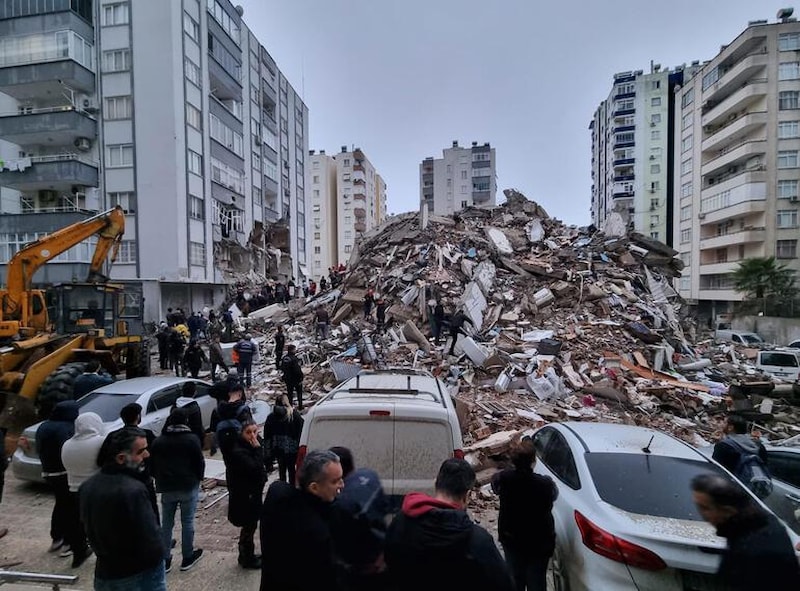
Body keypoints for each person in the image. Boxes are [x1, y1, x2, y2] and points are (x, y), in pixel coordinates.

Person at [385, 458, 514, 591]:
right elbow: (503, 584)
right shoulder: (478, 541)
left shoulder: (401, 523)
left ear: (435, 483)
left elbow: (389, 564)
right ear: (467, 496)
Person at [80, 428, 166, 591]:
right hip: (138, 573)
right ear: (121, 458)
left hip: (105, 571)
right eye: (140, 451)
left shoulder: (87, 486)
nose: (147, 455)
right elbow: (150, 537)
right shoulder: (133, 490)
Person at [691, 473, 800, 590]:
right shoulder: (748, 525)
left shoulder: (754, 548)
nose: (701, 514)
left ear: (727, 510)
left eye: (705, 508)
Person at [260, 449, 344, 591]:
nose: (342, 485)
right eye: (335, 481)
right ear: (314, 487)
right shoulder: (320, 535)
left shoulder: (277, 494)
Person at [491, 437, 557, 591]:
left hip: (512, 538)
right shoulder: (545, 484)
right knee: (537, 581)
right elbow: (554, 495)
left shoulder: (504, 479)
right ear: (533, 461)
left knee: (515, 579)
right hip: (539, 542)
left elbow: (495, 486)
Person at [150, 409, 205, 573]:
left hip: (166, 487)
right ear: (185, 421)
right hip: (188, 485)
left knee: (167, 524)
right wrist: (199, 478)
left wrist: (160, 478)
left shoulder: (158, 441)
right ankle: (187, 557)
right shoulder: (191, 439)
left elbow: (152, 465)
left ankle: (165, 559)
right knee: (187, 522)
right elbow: (199, 462)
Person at [329, 447, 389, 591]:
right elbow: (385, 507)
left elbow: (342, 545)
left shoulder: (343, 502)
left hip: (362, 572)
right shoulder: (370, 476)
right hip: (383, 561)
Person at [97, 403, 159, 520]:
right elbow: (156, 458)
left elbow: (101, 460)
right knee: (150, 515)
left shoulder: (112, 436)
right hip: (143, 482)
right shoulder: (146, 435)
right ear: (138, 416)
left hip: (119, 483)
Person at [61, 412, 105, 568]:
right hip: (95, 489)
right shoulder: (100, 442)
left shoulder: (67, 444)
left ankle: (78, 553)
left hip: (73, 488)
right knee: (99, 525)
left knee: (77, 525)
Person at [37, 401, 79, 555]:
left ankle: (57, 538)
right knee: (70, 508)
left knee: (60, 505)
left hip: (49, 472)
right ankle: (68, 543)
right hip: (64, 473)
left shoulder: (44, 426)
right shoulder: (66, 428)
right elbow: (68, 450)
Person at [224, 420, 267, 569]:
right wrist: (257, 449)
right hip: (245, 496)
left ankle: (247, 555)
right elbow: (254, 467)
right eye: (248, 432)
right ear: (241, 434)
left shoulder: (249, 447)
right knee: (249, 526)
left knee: (251, 525)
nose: (253, 436)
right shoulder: (239, 452)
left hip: (251, 493)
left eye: (255, 431)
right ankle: (247, 557)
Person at [713, 415, 772, 499]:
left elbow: (715, 470)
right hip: (753, 492)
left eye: (725, 422)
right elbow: (765, 465)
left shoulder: (723, 446)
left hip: (730, 492)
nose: (721, 424)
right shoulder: (758, 445)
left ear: (730, 427)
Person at [263, 395, 303, 484]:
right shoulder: (294, 416)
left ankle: (282, 487)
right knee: (292, 471)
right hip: (292, 451)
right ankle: (292, 489)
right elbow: (301, 433)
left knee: (282, 471)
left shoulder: (271, 417)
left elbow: (267, 438)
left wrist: (268, 458)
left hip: (278, 450)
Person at [174, 382, 205, 447]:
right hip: (191, 439)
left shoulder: (175, 405)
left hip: (177, 438)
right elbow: (197, 425)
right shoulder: (194, 407)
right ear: (195, 392)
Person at [280, 344, 304, 410]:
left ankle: (290, 406)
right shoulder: (294, 359)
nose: (295, 351)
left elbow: (282, 368)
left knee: (290, 394)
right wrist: (301, 377)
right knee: (299, 393)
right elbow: (297, 370)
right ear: (292, 350)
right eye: (295, 349)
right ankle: (300, 406)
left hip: (287, 379)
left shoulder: (284, 358)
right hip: (295, 379)